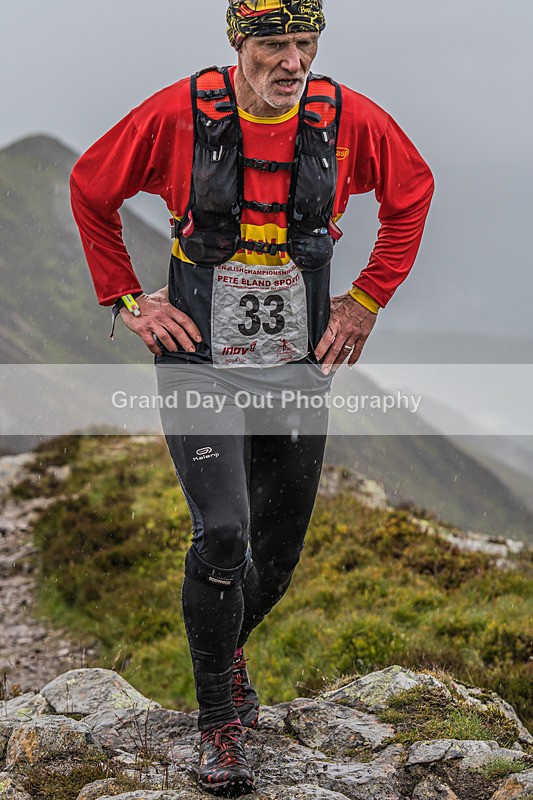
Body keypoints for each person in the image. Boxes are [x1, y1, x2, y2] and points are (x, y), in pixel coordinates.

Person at [70, 1, 434, 795]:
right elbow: (90, 188)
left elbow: (412, 193)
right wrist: (129, 302)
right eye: (273, 44)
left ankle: (225, 651)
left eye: (304, 44)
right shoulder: (178, 112)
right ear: (238, 43)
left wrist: (366, 300)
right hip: (199, 360)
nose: (291, 61)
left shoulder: (349, 121)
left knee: (279, 551)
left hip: (296, 366)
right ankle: (219, 726)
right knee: (226, 531)